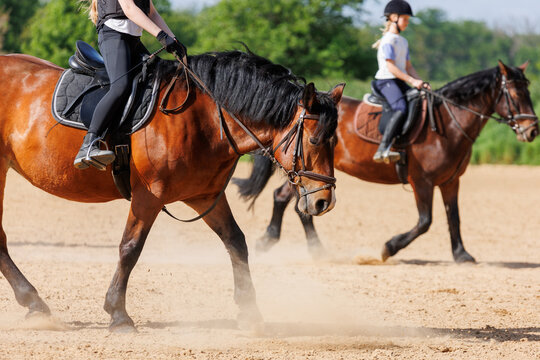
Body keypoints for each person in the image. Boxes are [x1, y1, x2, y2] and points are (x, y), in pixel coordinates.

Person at [74, 0, 185, 170]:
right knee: (120, 86)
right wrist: (162, 37)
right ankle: (89, 143)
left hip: (133, 40)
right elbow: (129, 8)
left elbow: (152, 13)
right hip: (113, 36)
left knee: (158, 79)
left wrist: (173, 39)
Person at [372, 0, 428, 164]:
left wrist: (420, 82)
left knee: (420, 99)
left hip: (399, 80)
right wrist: (411, 80)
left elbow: (408, 67)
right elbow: (391, 67)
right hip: (386, 81)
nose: (407, 22)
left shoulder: (403, 41)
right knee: (401, 108)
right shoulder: (388, 40)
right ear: (394, 18)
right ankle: (383, 148)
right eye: (405, 19)